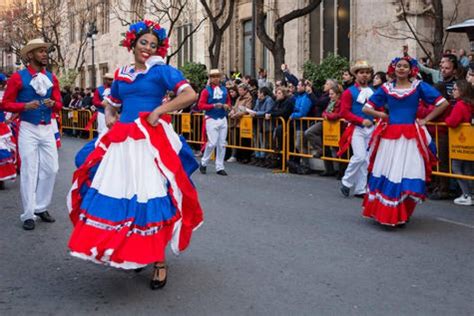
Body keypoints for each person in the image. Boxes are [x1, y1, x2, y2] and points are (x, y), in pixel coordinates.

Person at [67, 20, 203, 290]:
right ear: (133, 43)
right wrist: (108, 115)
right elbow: (112, 101)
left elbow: (189, 94)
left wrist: (159, 111)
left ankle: (159, 262)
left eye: (153, 44)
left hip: (148, 142)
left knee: (149, 195)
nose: (148, 48)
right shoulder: (121, 73)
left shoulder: (161, 71)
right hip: (121, 142)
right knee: (123, 195)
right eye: (144, 43)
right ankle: (135, 251)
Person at [362, 56, 449, 227]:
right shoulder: (386, 88)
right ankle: (390, 212)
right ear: (393, 69)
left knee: (411, 172)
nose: (401, 69)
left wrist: (425, 120)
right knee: (391, 171)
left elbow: (443, 103)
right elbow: (367, 108)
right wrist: (382, 115)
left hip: (411, 136)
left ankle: (403, 210)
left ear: (411, 70)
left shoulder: (418, 86)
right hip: (391, 136)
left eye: (405, 66)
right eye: (398, 66)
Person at [1, 38, 62, 230]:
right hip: (28, 127)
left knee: (52, 168)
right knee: (29, 170)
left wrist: (54, 105)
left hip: (47, 128)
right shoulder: (18, 78)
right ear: (30, 55)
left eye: (45, 51)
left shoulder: (52, 78)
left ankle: (40, 207)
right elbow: (5, 104)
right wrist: (24, 106)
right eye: (40, 51)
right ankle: (28, 213)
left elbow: (59, 103)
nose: (45, 54)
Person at [338, 60, 375, 198]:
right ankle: (346, 182)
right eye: (361, 73)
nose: (364, 75)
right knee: (359, 156)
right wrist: (361, 120)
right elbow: (344, 112)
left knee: (367, 160)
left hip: (372, 128)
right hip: (356, 128)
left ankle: (361, 188)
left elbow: (379, 108)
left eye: (367, 73)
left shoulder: (373, 92)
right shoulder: (349, 92)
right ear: (356, 75)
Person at [444, 79, 474, 206]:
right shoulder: (470, 104)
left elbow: (452, 122)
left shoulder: (460, 105)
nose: (453, 91)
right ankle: (471, 194)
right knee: (468, 169)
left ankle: (467, 194)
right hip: (468, 142)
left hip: (461, 142)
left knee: (456, 168)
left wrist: (446, 119)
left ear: (462, 91)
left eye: (455, 89)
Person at [198, 69, 231, 175]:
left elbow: (229, 102)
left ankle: (220, 167)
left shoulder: (224, 90)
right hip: (211, 118)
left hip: (222, 118)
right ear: (210, 78)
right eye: (213, 76)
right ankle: (204, 162)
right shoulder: (206, 91)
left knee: (222, 144)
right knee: (212, 143)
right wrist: (212, 105)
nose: (216, 78)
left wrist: (227, 106)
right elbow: (200, 105)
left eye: (217, 76)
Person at [0, 77, 17, 190]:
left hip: (1, 126)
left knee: (2, 151)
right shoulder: (4, 95)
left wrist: (9, 119)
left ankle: (1, 179)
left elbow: (14, 108)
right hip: (2, 125)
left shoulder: (4, 95)